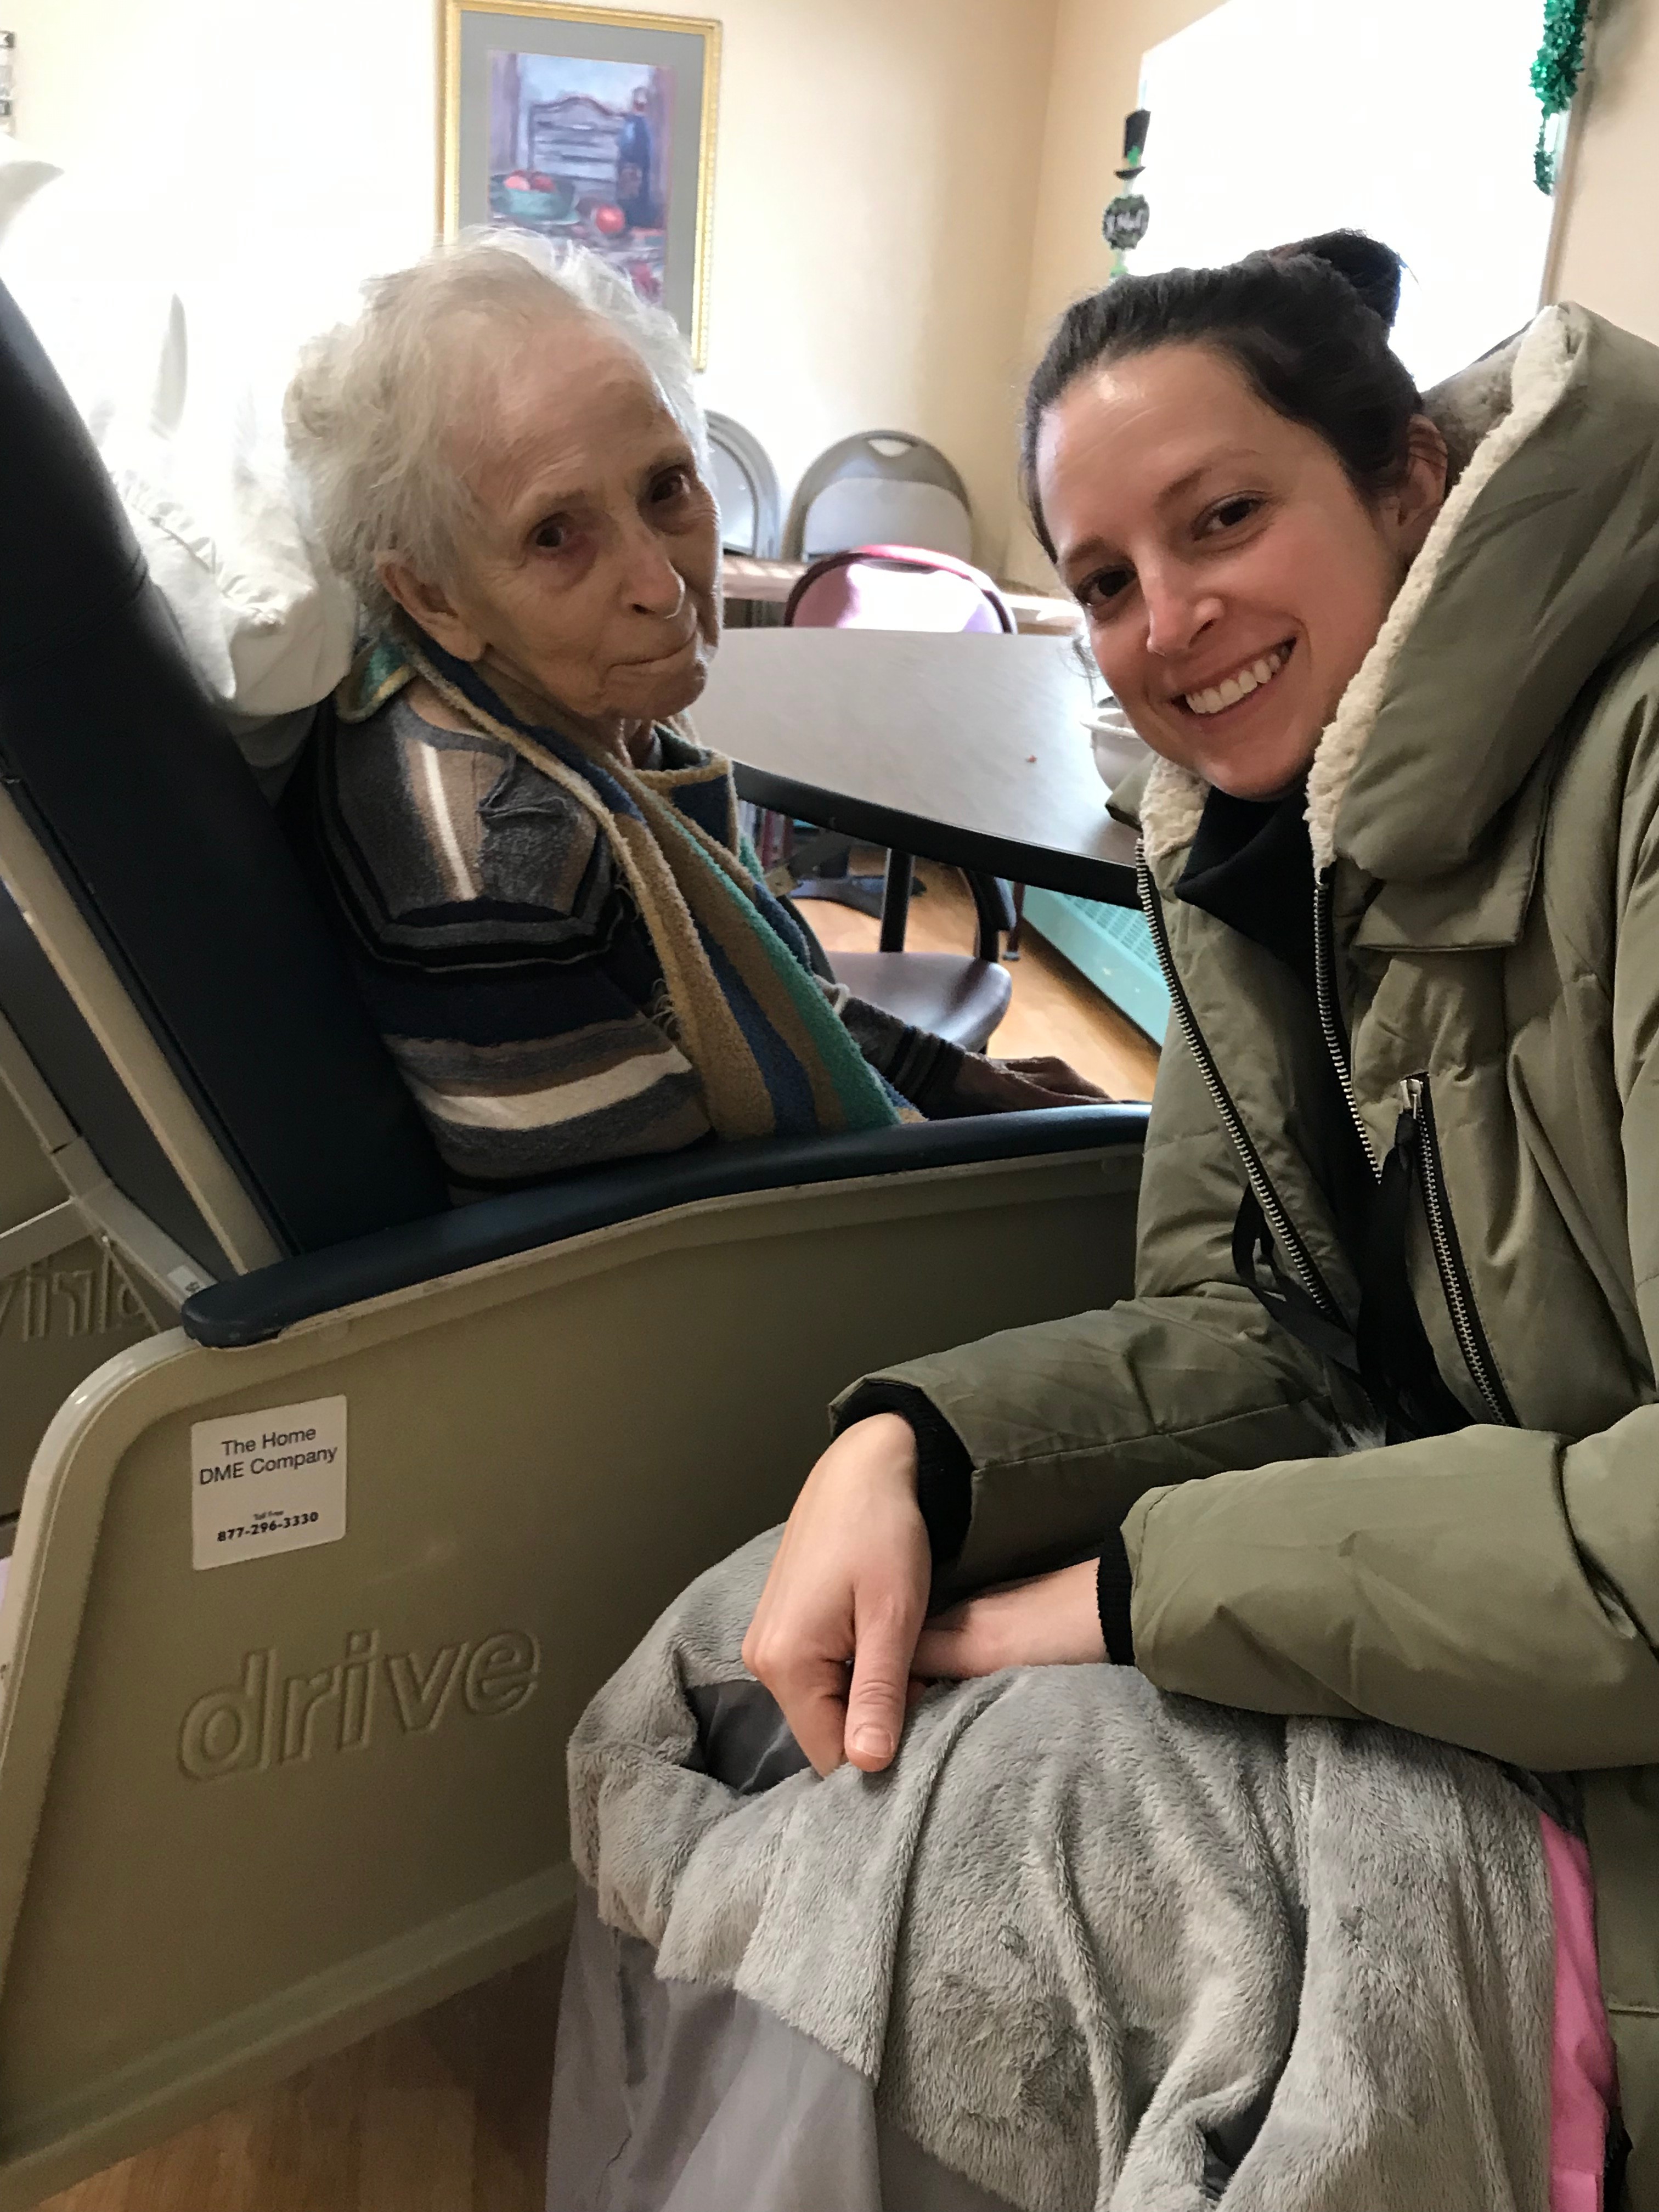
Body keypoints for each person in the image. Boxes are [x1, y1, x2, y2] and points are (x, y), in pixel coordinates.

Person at [735, 230, 1659, 2191]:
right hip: (1455, 1636)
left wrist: (1128, 1596)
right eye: (1101, 581)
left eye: (1224, 515)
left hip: (1596, 1758)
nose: (1167, 622)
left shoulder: (1636, 787)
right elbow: (1260, 1328)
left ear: (1409, 477)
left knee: (939, 1869)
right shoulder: (1255, 859)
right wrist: (918, 1445)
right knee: (754, 1692)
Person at [281, 233, 1102, 1193]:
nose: (661, 583)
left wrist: (963, 1082)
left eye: (667, 487)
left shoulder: (569, 717)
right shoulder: (504, 857)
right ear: (432, 597)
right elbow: (653, 1252)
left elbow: (770, 989)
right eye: (556, 535)